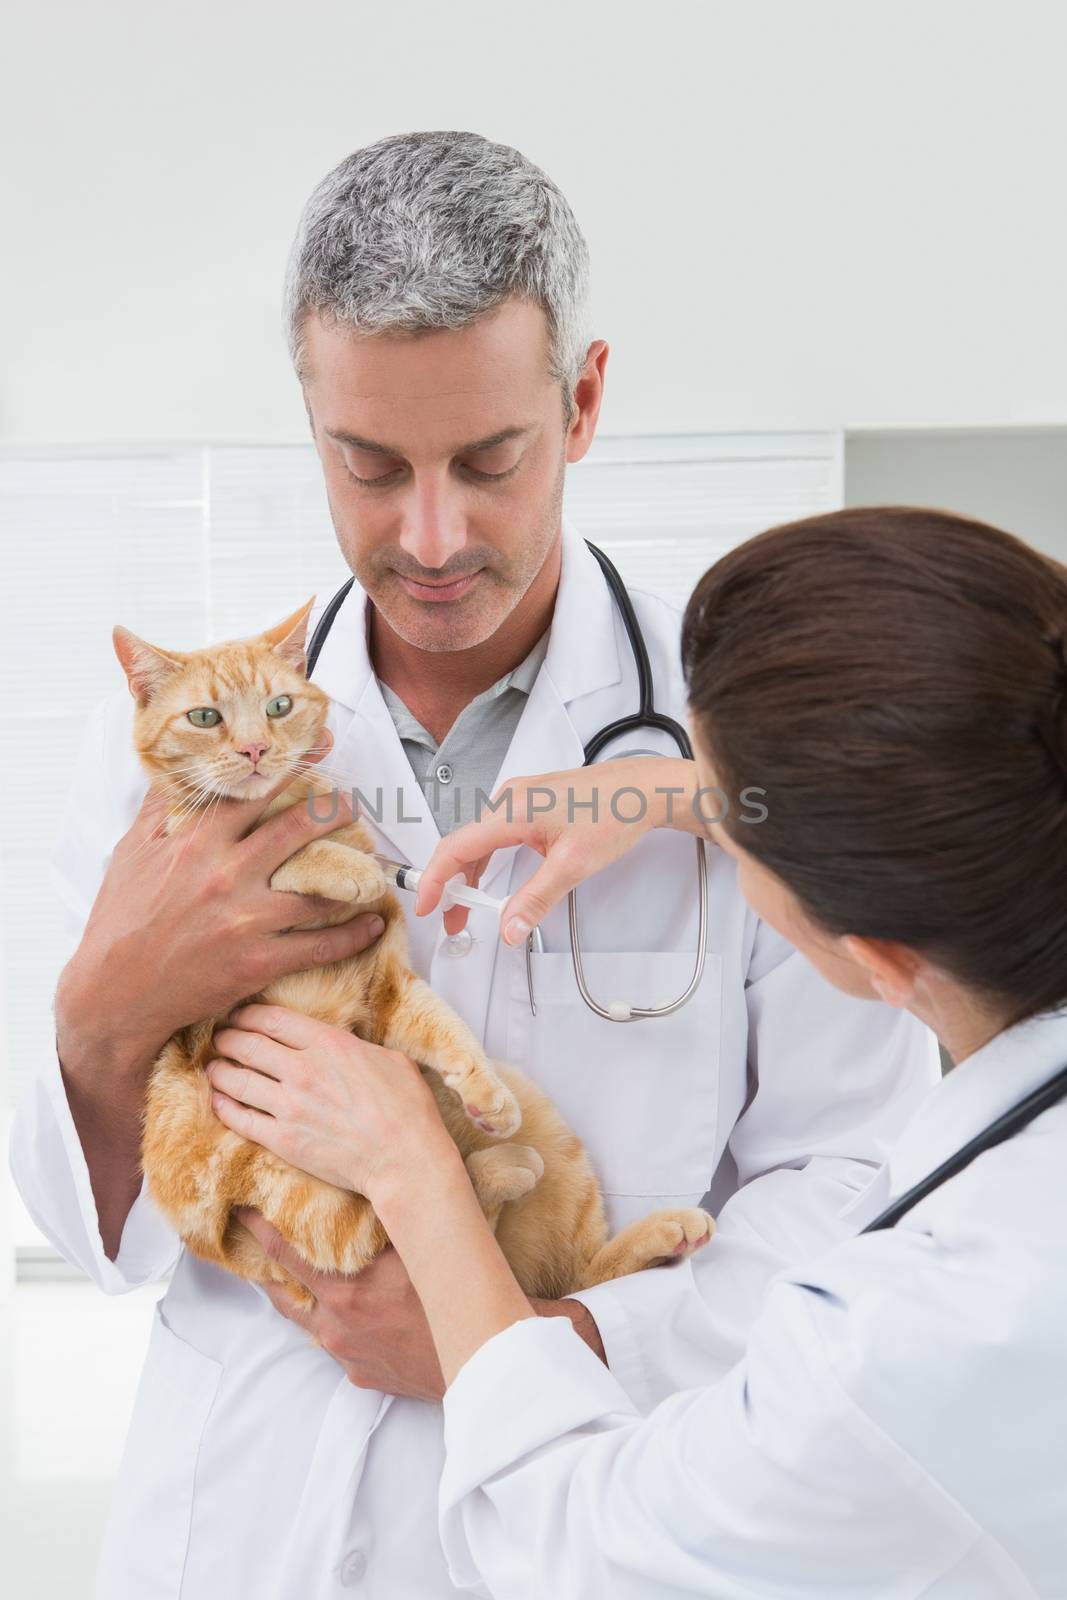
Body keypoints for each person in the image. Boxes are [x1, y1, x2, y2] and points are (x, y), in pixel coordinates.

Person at [9, 134, 937, 1600]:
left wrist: (529, 1339)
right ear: (309, 419)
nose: (429, 536)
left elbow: (849, 1184)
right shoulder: (171, 746)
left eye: (487, 462)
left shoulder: (735, 725)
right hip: (236, 1537)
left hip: (581, 1513)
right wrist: (105, 1011)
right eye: (368, 467)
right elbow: (93, 1235)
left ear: (580, 403)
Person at [207, 506, 1067, 1598]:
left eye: (734, 825)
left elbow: (578, 1539)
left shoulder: (919, 1340)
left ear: (875, 961)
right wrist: (664, 792)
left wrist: (414, 1168)